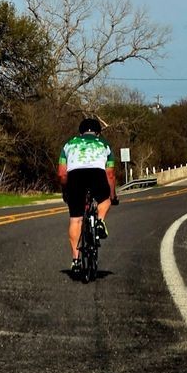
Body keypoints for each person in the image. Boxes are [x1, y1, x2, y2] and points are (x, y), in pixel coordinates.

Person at [58, 117, 117, 272]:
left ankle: (76, 260)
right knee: (105, 199)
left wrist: (65, 190)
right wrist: (112, 195)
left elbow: (62, 174)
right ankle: (100, 221)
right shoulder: (104, 144)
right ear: (98, 133)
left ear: (80, 132)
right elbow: (110, 174)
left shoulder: (69, 144)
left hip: (75, 177)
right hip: (97, 174)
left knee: (75, 219)